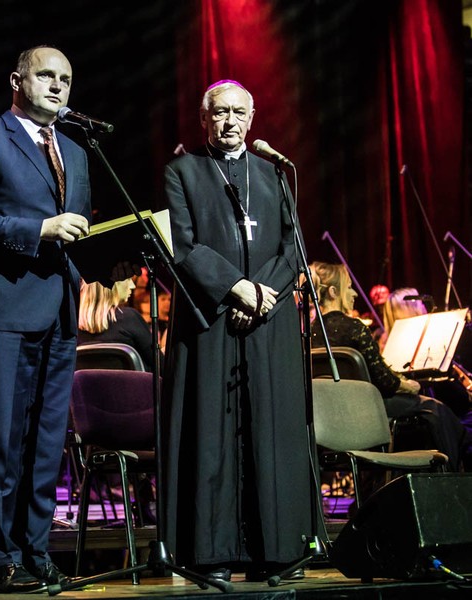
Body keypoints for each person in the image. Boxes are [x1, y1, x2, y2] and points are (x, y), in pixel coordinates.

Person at [0, 45, 92, 593]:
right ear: (17, 80)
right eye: (47, 76)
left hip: (59, 311)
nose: (58, 86)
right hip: (4, 309)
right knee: (1, 441)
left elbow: (77, 229)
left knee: (47, 442)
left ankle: (37, 552)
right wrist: (39, 231)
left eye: (66, 79)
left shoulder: (76, 152)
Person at [160, 79, 312, 582]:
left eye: (239, 112)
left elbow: (293, 249)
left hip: (269, 322)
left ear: (252, 118)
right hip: (210, 321)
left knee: (272, 432)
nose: (230, 121)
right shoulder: (181, 171)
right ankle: (213, 554)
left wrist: (261, 294)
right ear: (204, 120)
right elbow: (181, 246)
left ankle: (278, 549)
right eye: (219, 112)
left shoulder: (274, 174)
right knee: (212, 435)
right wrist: (235, 290)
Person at [310, 262, 469, 471]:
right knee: (436, 409)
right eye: (349, 287)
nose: (355, 293)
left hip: (331, 418)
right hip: (368, 411)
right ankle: (452, 476)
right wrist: (410, 385)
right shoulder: (354, 328)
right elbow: (385, 382)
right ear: (332, 292)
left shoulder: (311, 333)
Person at [77, 279, 155, 372]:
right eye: (128, 279)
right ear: (112, 285)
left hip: (86, 387)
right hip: (131, 386)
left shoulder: (72, 325)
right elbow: (160, 366)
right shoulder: (129, 318)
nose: (132, 286)